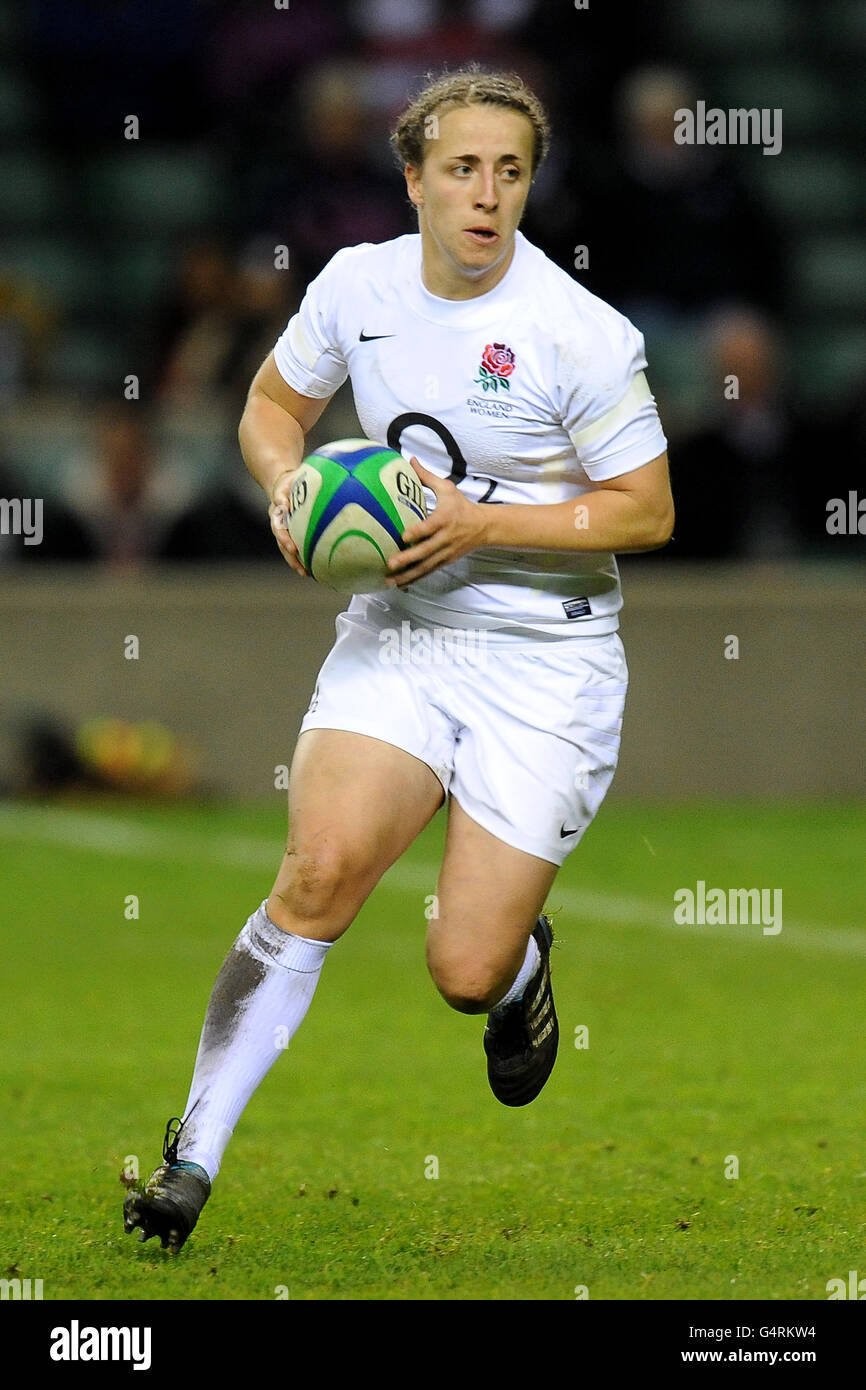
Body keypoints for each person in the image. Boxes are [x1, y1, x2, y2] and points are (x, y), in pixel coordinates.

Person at [124, 66, 674, 1254]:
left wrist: (487, 523)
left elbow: (643, 511)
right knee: (317, 874)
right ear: (413, 177)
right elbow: (270, 409)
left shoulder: (576, 331)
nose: (486, 196)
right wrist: (290, 489)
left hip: (545, 660)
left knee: (460, 968)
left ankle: (519, 966)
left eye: (510, 172)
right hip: (403, 634)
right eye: (462, 168)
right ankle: (191, 1159)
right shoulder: (355, 285)